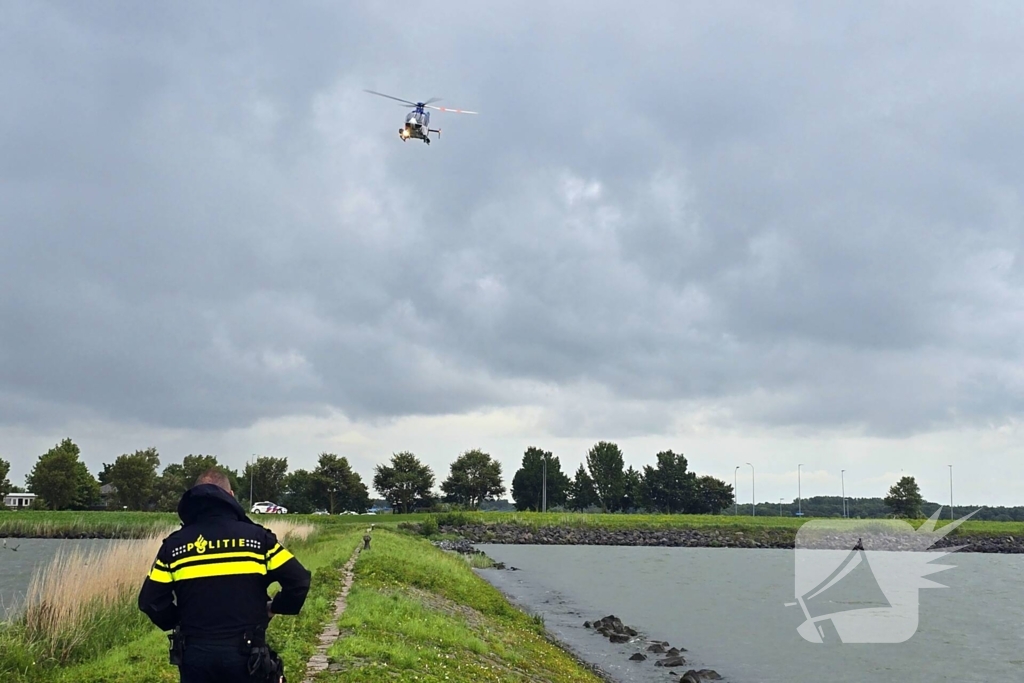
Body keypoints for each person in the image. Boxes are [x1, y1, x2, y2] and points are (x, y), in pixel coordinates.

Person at [138, 468, 311, 682]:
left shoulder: (174, 546)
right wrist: (275, 607)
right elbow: (299, 581)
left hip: (195, 656)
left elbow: (150, 602)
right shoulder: (257, 540)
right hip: (247, 657)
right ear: (230, 497)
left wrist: (179, 620)